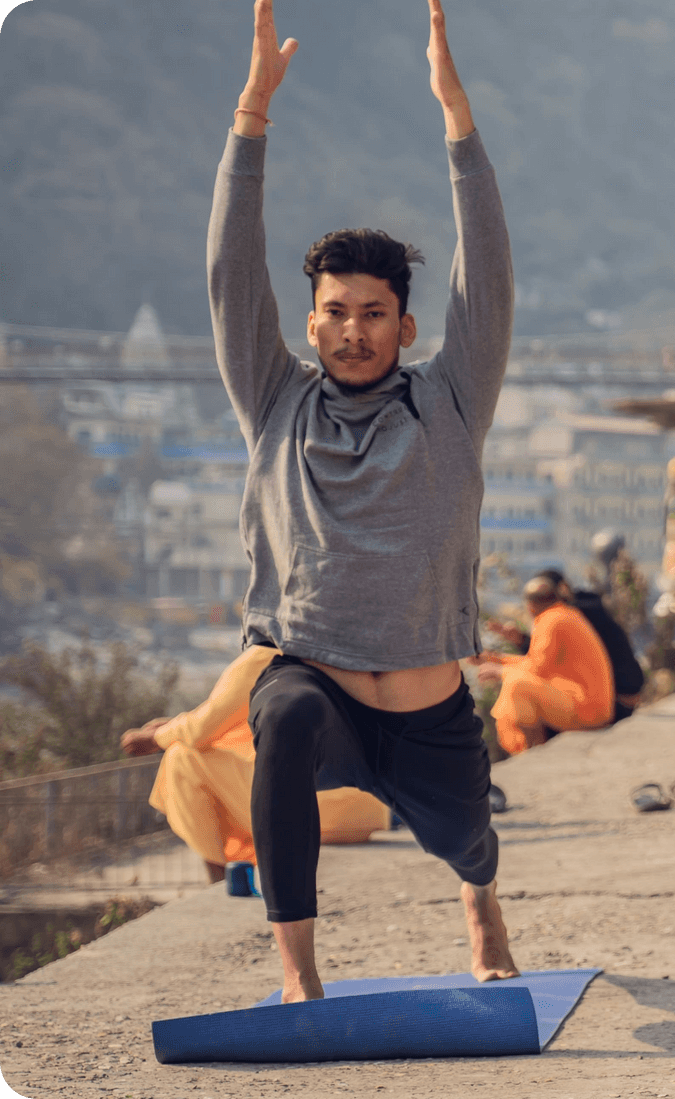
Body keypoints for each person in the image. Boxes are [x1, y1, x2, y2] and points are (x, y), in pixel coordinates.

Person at [211, 0, 518, 1001]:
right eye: (334, 313)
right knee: (283, 715)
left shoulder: (450, 402)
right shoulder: (275, 399)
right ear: (310, 321)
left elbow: (490, 272)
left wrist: (456, 117)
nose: (352, 329)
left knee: (469, 840)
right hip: (321, 684)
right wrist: (251, 116)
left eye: (372, 314)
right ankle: (299, 971)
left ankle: (480, 900)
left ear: (405, 322)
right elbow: (229, 275)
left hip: (429, 711)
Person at [119, 647, 389, 884]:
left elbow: (202, 729)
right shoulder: (333, 648)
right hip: (367, 810)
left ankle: (222, 879)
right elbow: (236, 730)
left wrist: (154, 737)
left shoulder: (266, 654)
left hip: (317, 812)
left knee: (182, 757)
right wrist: (173, 725)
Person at [473, 576, 618, 753]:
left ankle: (528, 751)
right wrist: (495, 660)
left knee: (518, 686)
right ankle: (527, 749)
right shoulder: (564, 614)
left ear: (530, 606)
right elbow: (537, 663)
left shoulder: (551, 620)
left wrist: (501, 670)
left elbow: (535, 670)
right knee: (517, 681)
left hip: (589, 709)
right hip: (592, 705)